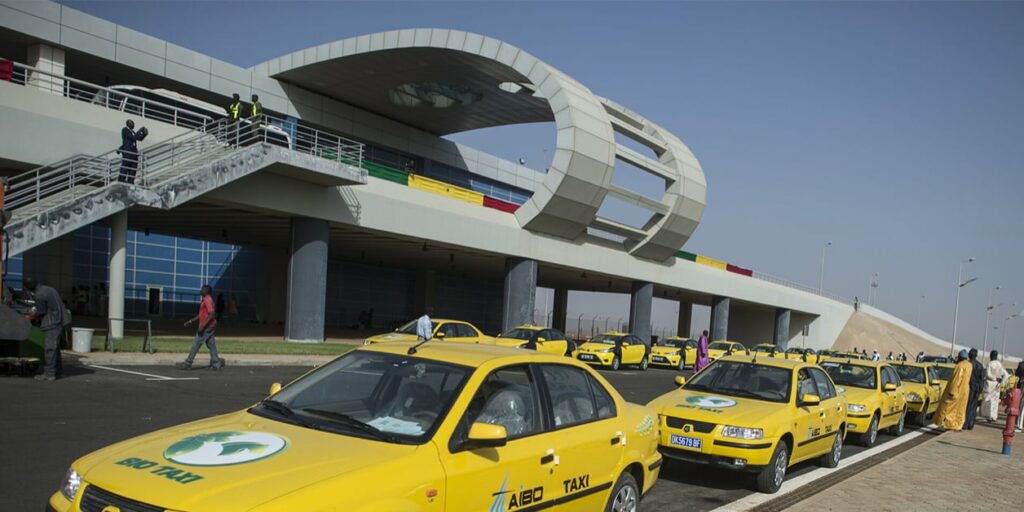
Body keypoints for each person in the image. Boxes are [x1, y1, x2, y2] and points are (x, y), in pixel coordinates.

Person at [24, 277, 68, 381]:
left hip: (51, 323)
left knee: (50, 349)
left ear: (29, 287)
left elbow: (41, 311)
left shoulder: (39, 294)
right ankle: (58, 372)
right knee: (55, 349)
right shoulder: (50, 289)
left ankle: (49, 373)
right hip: (60, 320)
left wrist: (29, 317)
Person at [178, 285, 224, 370]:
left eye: (202, 289)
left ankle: (188, 363)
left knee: (196, 344)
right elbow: (201, 314)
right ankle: (216, 364)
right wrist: (190, 321)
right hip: (210, 326)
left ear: (206, 291)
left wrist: (202, 326)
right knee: (211, 344)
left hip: (207, 326)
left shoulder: (207, 300)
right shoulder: (205, 299)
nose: (200, 290)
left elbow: (211, 314)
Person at [934, 349, 972, 431]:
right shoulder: (969, 365)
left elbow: (956, 379)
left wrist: (952, 391)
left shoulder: (960, 366)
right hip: (965, 391)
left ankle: (949, 425)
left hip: (957, 390)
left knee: (948, 409)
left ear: (960, 357)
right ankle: (958, 425)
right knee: (960, 410)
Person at [980, 350, 1006, 422]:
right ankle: (994, 416)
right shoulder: (999, 364)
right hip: (997, 384)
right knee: (995, 401)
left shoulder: (989, 364)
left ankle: (988, 416)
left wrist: (994, 378)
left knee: (987, 399)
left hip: (990, 383)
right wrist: (1000, 381)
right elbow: (1005, 374)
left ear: (991, 356)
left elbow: (988, 374)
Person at [964, 348, 985, 430]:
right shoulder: (980, 365)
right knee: (973, 407)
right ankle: (970, 424)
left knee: (966, 406)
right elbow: (981, 379)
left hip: (968, 387)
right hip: (976, 389)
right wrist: (979, 390)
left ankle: (965, 424)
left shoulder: (967, 364)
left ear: (969, 355)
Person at [118, 119, 142, 183]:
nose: (133, 125)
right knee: (125, 168)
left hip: (134, 154)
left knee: (133, 170)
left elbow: (138, 138)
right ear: (128, 124)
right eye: (132, 123)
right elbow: (133, 138)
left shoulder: (133, 132)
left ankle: (130, 182)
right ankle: (121, 181)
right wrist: (139, 132)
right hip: (128, 154)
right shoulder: (125, 130)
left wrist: (142, 134)